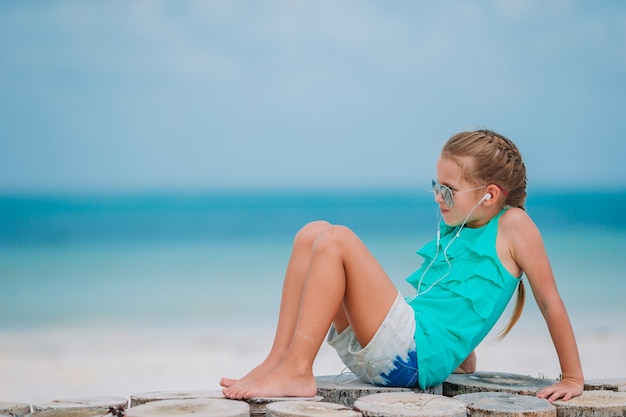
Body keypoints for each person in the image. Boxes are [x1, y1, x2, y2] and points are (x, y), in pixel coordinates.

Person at [220, 129, 584, 402]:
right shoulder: (459, 225)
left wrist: (572, 377)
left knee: (337, 239)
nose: (438, 197)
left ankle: (299, 372)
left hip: (407, 360)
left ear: (489, 195)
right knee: (311, 233)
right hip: (403, 353)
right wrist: (462, 354)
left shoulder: (514, 226)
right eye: (435, 185)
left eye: (448, 189)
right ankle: (278, 360)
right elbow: (450, 295)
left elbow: (550, 301)